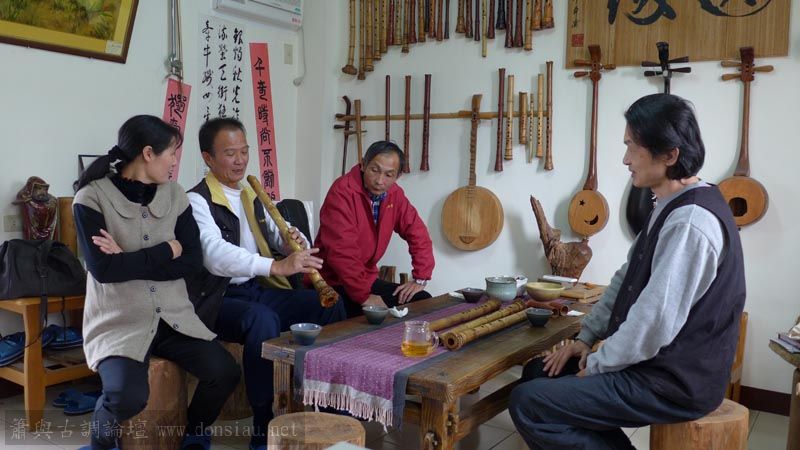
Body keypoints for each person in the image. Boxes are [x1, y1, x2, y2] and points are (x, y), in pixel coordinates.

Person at [509, 93, 746, 450]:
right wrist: (585, 340)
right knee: (537, 373)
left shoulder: (691, 222)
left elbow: (654, 320)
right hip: (655, 366)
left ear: (669, 155)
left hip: (675, 382)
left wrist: (598, 365)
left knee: (529, 404)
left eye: (633, 147)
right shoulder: (667, 204)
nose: (625, 159)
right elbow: (625, 280)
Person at [73, 115, 240, 450]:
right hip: (120, 322)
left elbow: (191, 262)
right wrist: (167, 250)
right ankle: (99, 445)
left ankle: (193, 433)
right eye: (171, 153)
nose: (175, 161)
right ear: (148, 153)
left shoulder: (175, 196)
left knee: (225, 373)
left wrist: (127, 259)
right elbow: (103, 270)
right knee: (126, 397)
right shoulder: (91, 199)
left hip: (174, 319)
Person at [185, 117, 345, 450]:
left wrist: (290, 242)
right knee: (262, 319)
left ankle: (327, 404)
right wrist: (276, 265)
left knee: (329, 305)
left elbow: (276, 235)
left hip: (253, 290)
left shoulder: (250, 195)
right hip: (212, 299)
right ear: (208, 158)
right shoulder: (196, 200)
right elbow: (214, 254)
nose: (240, 160)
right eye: (230, 153)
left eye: (244, 151)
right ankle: (263, 423)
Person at [315, 140, 435, 318]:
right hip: (331, 282)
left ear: (398, 176)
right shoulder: (341, 192)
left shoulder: (395, 194)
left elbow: (417, 232)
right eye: (374, 170)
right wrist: (365, 297)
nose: (379, 181)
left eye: (388, 174)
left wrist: (420, 277)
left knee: (421, 300)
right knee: (366, 317)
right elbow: (342, 253)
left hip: (366, 279)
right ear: (363, 164)